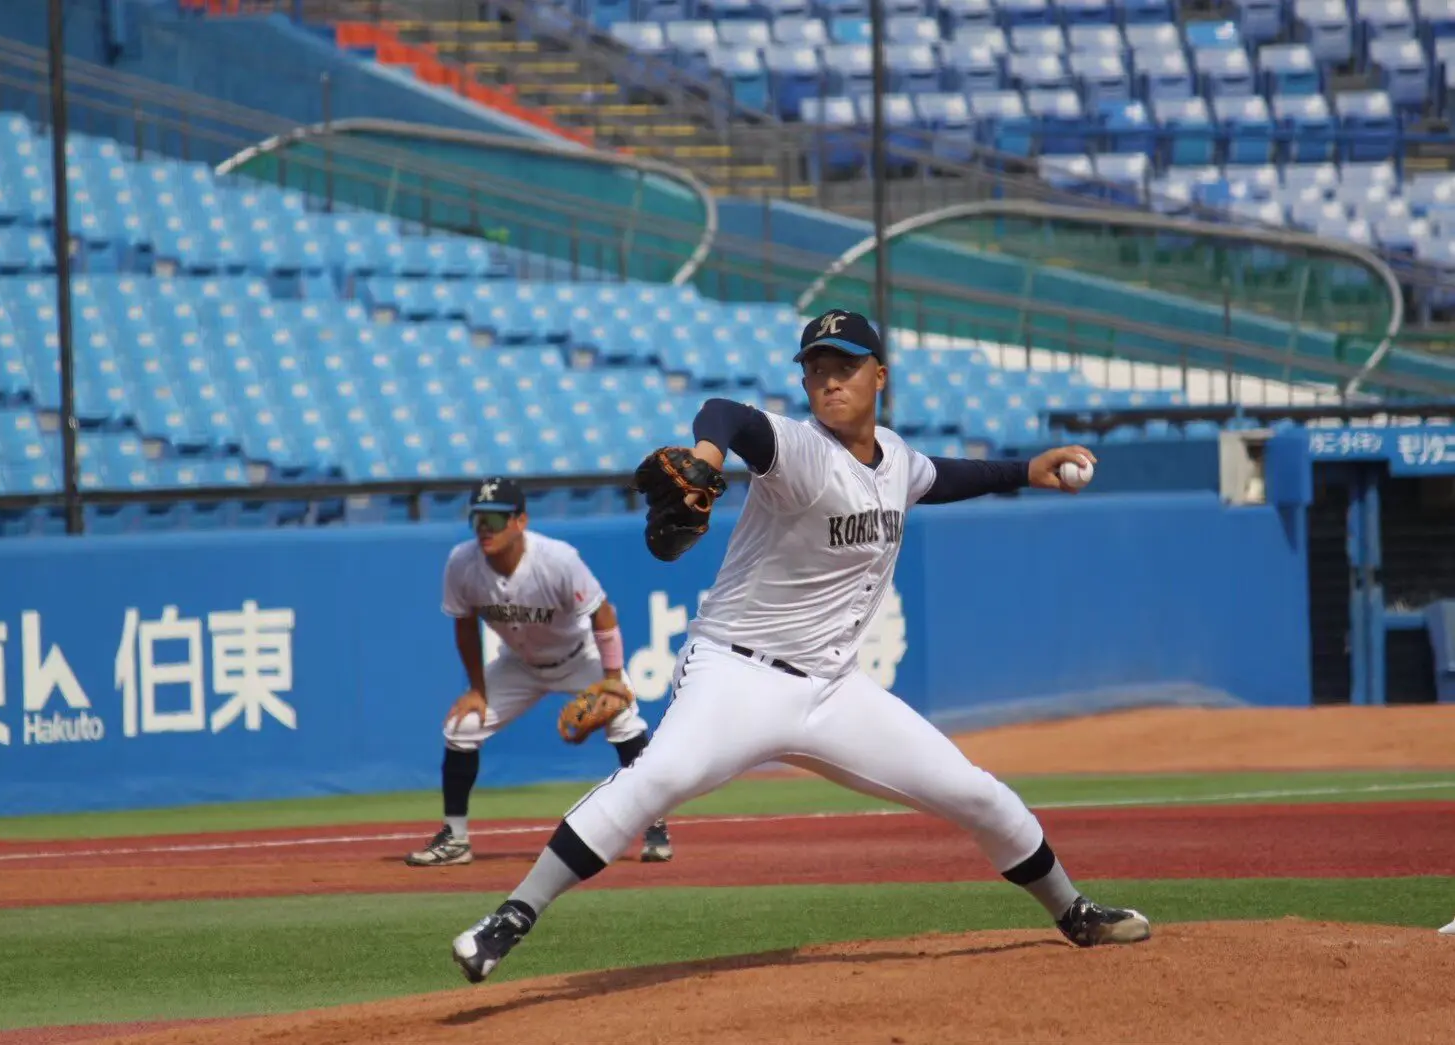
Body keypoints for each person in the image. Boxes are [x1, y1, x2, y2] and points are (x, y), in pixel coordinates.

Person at [450, 310, 1149, 984]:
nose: (828, 380)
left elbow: (943, 476)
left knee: (975, 792)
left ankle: (1073, 910)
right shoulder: (800, 450)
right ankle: (510, 915)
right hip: (737, 676)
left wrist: (1027, 470)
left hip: (834, 689)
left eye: (843, 366)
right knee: (654, 779)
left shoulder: (898, 459)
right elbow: (728, 413)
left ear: (879, 374)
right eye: (815, 368)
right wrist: (703, 457)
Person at [404, 476, 673, 868]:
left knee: (624, 726)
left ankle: (655, 823)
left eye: (495, 520)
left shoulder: (557, 560)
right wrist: (476, 689)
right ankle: (455, 838)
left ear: (520, 521)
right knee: (462, 729)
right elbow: (463, 624)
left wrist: (612, 681)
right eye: (478, 519)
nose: (485, 529)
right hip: (519, 665)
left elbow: (603, 614)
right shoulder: (462, 563)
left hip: (579, 657)